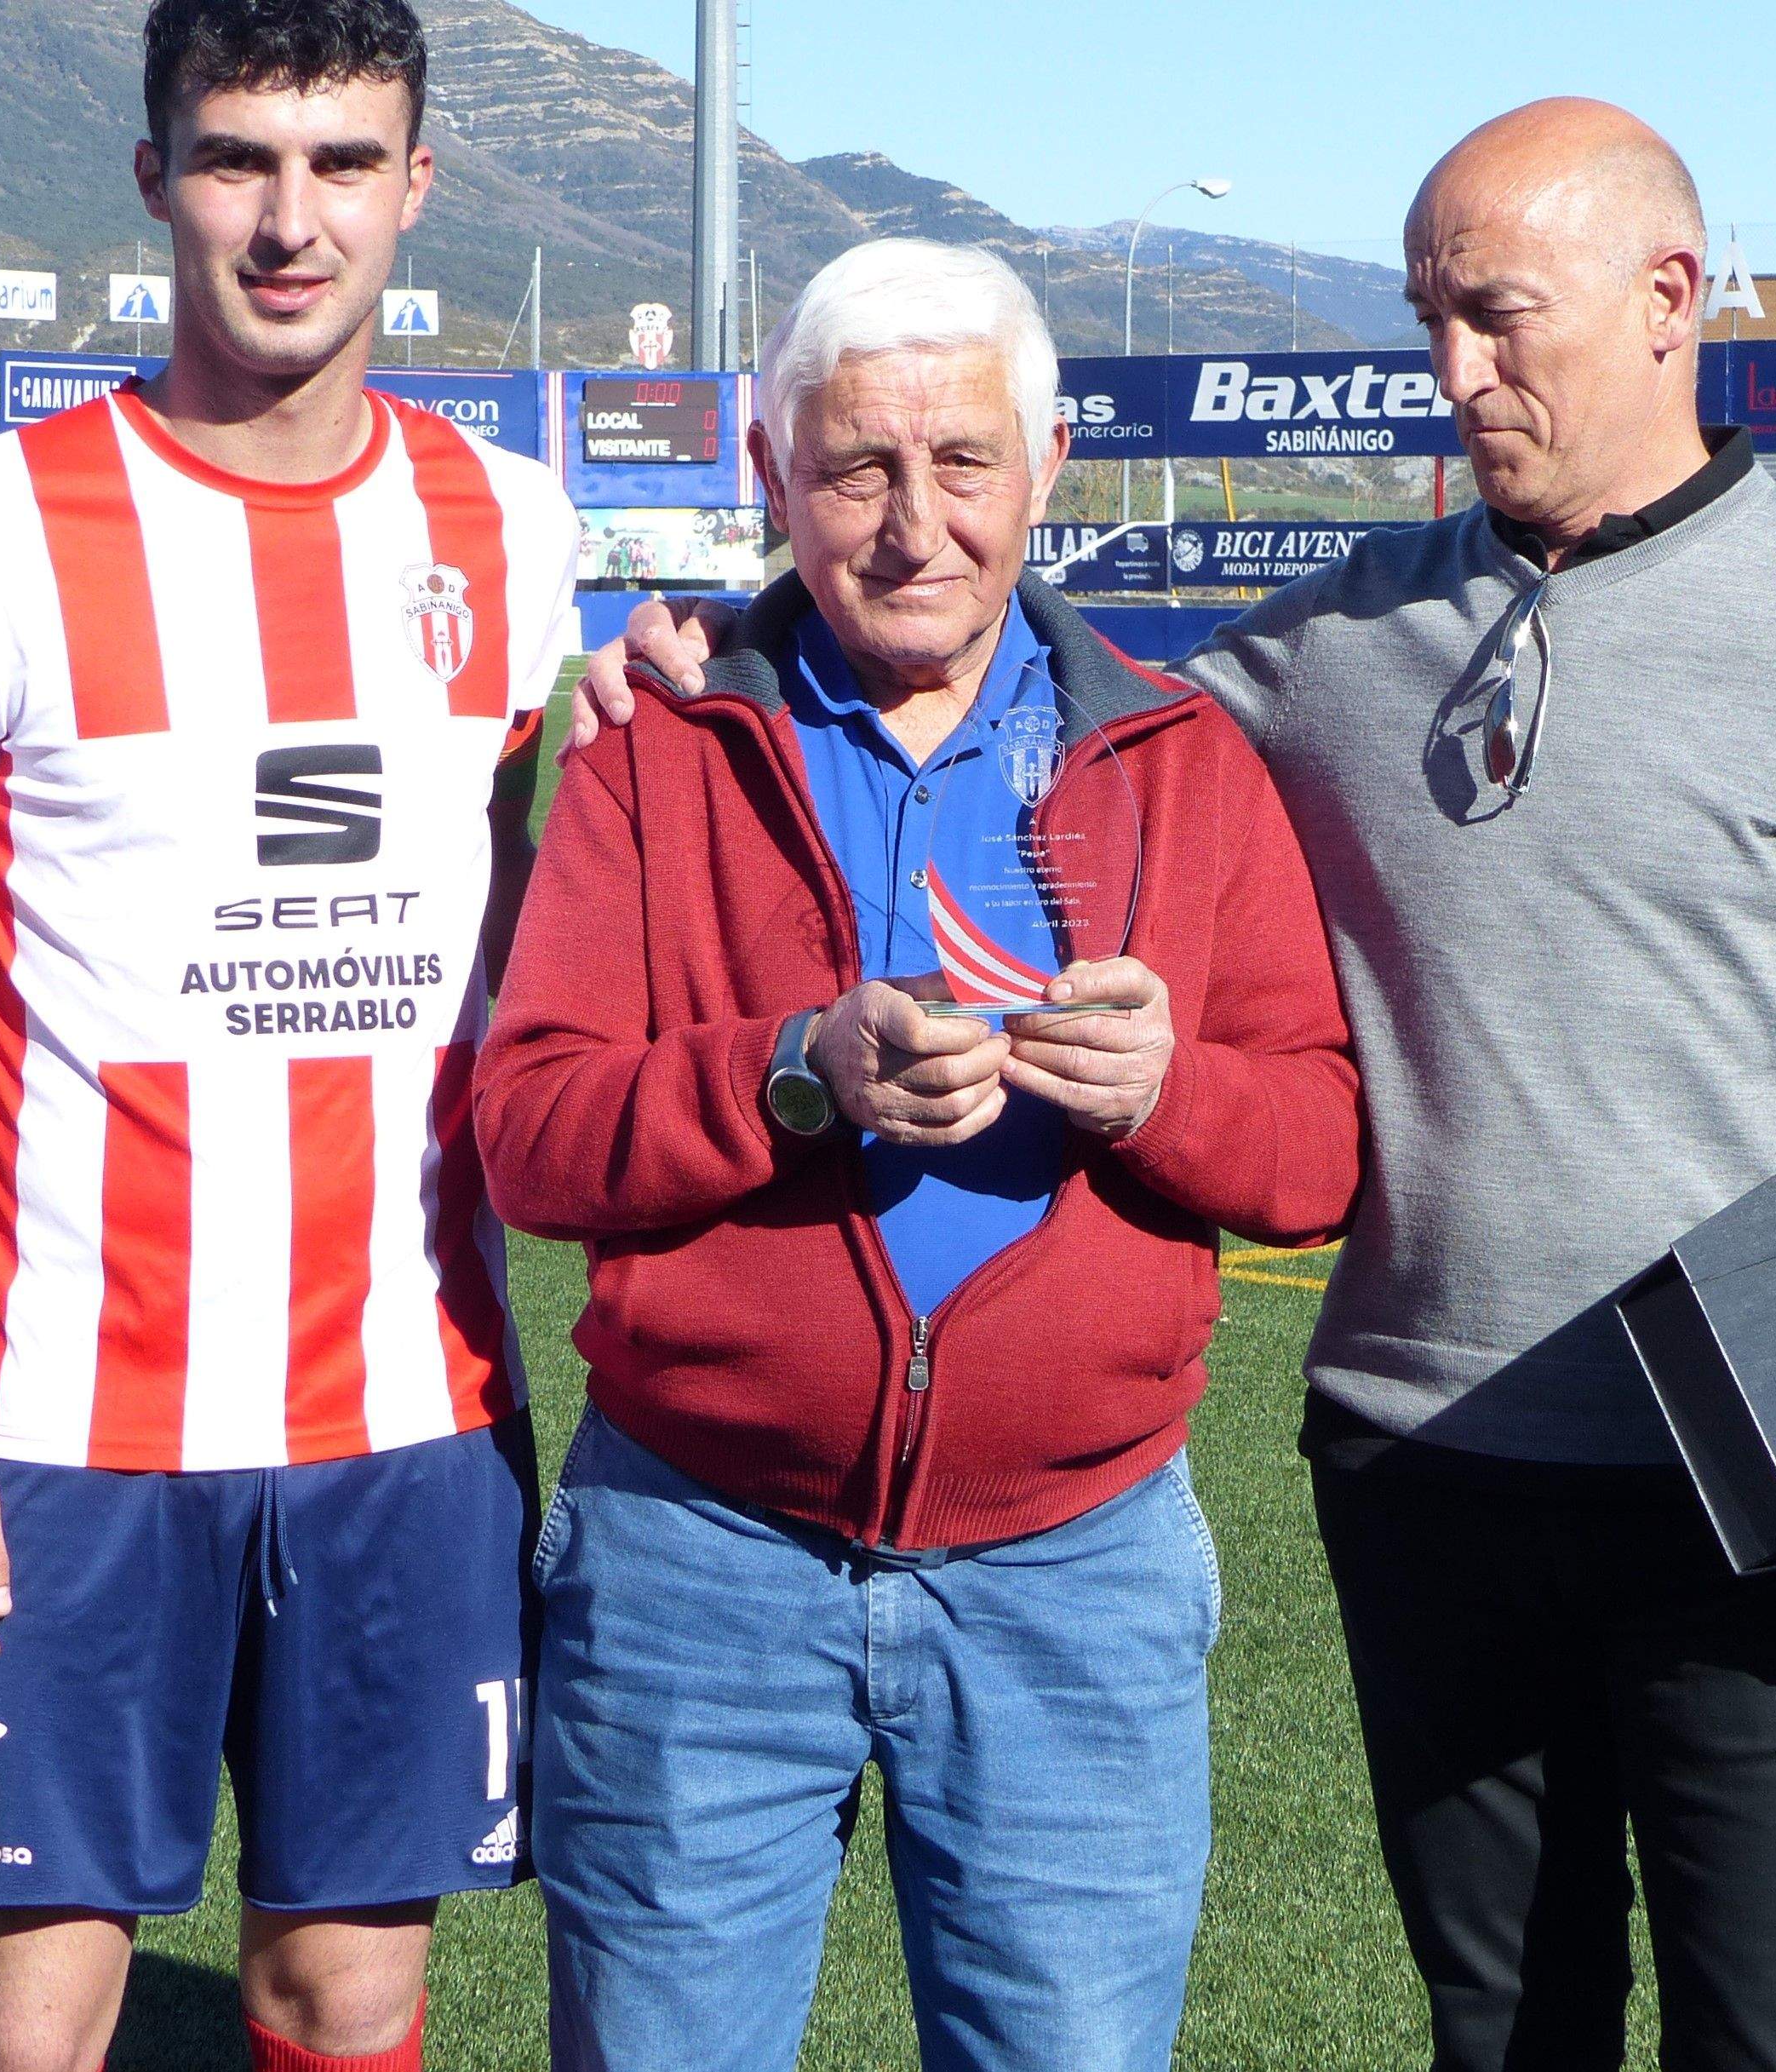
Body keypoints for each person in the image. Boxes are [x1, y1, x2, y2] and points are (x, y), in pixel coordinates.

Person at [575, 102, 1776, 2072]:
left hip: (1763, 1459)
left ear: (1668, 301)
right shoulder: (1336, 634)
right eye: (1428, 321)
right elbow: (1012, 679)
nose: (1453, 372)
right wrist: (725, 635)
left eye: (1499, 318)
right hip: (1426, 1452)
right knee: (1501, 2028)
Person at [474, 237, 1361, 2072]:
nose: (912, 522)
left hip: (1074, 1572)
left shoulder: (1184, 758)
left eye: (961, 462)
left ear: (1042, 469)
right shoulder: (662, 742)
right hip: (696, 1558)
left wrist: (1158, 1089)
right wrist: (793, 1069)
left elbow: (1316, 1153)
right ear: (770, 471)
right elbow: (534, 1133)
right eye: (857, 466)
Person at [0, 5, 581, 2069]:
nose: (289, 219)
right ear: (153, 174)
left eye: (344, 163)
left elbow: (533, 918)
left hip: (408, 1412)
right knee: (24, 1996)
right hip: (66, 1423)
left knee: (348, 1986)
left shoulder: (509, 527)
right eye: (240, 158)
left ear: (419, 186)